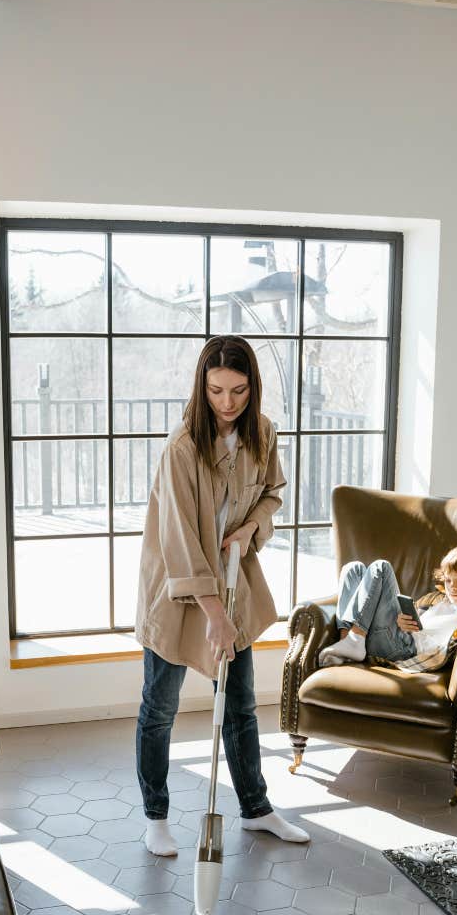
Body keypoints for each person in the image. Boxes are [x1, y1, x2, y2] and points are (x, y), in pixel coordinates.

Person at [135, 335, 309, 857]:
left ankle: (255, 808)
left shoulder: (263, 435)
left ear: (253, 386)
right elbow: (179, 539)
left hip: (234, 586)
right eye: (215, 390)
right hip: (177, 591)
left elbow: (273, 493)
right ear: (201, 386)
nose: (227, 402)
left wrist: (250, 528)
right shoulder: (182, 447)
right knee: (159, 708)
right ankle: (156, 816)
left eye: (238, 390)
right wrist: (213, 615)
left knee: (239, 707)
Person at [319, 544, 457, 673]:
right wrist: (400, 621)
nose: (452, 587)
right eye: (448, 580)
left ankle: (354, 640)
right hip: (387, 636)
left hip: (405, 650)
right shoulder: (435, 599)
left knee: (381, 567)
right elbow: (405, 615)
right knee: (353, 569)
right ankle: (348, 642)